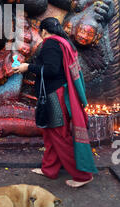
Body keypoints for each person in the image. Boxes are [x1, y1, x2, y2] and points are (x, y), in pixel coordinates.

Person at [13, 17, 97, 188]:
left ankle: (83, 175)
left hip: (54, 96)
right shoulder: (63, 42)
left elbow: (50, 70)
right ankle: (49, 169)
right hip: (57, 93)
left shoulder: (51, 43)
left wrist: (27, 67)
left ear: (44, 31)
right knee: (50, 134)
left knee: (59, 135)